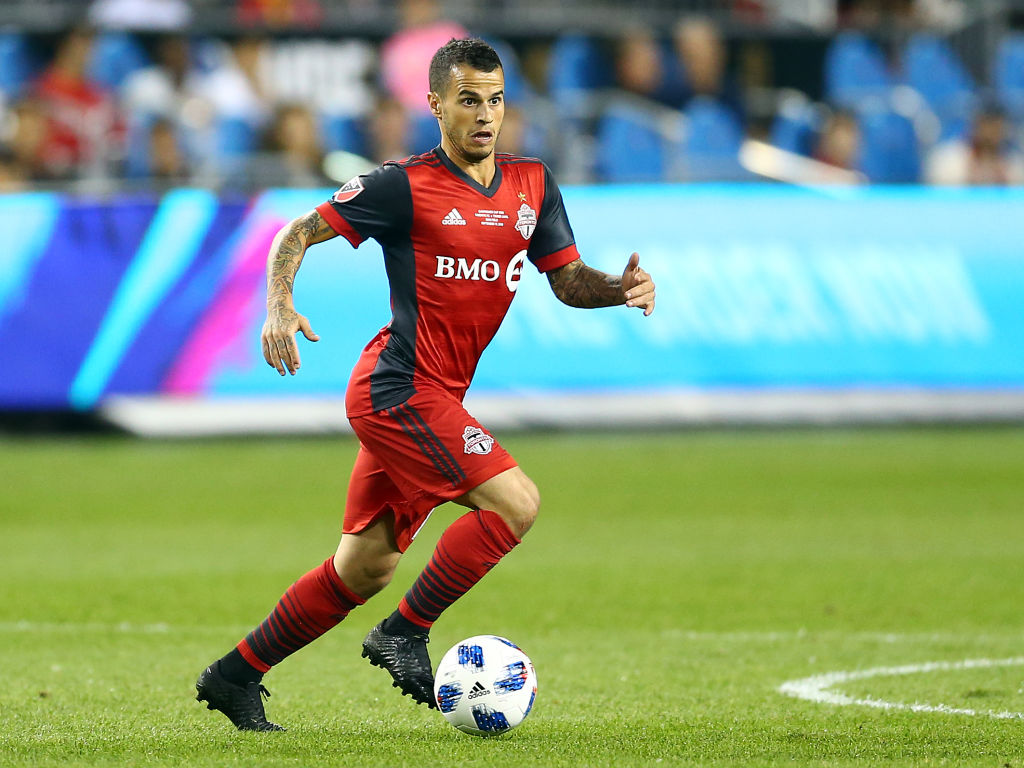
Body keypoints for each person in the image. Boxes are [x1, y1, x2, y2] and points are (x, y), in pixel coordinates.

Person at [194, 37, 656, 732]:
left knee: (363, 569)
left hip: (434, 395)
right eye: (469, 100)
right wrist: (278, 306)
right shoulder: (402, 185)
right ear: (436, 104)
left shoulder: (533, 185)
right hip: (398, 389)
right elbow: (296, 233)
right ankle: (403, 633)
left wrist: (620, 288)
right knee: (516, 504)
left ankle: (233, 676)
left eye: (495, 100)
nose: (485, 115)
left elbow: (566, 280)